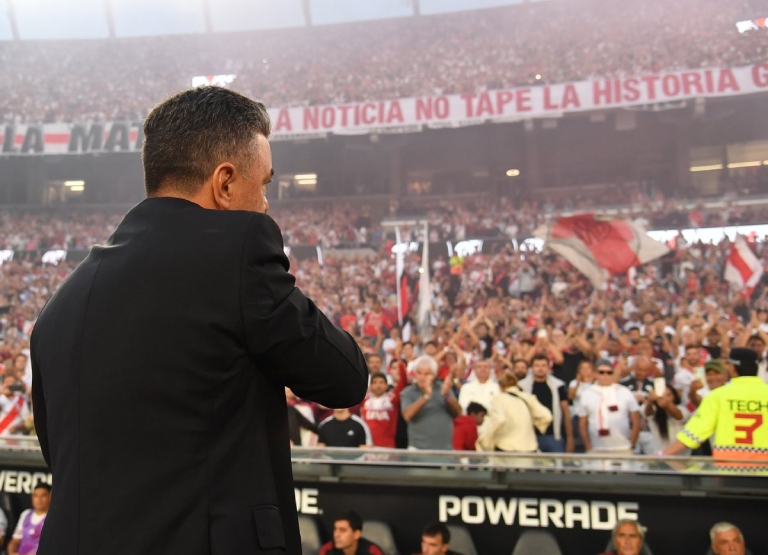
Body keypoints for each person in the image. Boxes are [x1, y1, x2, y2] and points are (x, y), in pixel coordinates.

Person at [30, 87, 369, 555]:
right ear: (225, 183)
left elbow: (61, 453)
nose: (267, 203)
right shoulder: (238, 253)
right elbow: (346, 378)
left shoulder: (62, 303)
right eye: (265, 184)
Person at [663, 348, 768, 465]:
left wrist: (661, 456)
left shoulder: (717, 396)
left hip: (728, 468)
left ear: (732, 368)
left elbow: (693, 434)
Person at [476, 370, 552, 453]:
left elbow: (499, 419)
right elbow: (547, 416)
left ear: (500, 386)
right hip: (529, 447)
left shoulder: (499, 399)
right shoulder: (528, 397)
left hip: (506, 447)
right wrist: (536, 426)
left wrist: (485, 441)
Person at [578, 360, 641, 454]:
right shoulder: (586, 394)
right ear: (595, 374)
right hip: (596, 449)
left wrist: (631, 444)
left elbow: (636, 420)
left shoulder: (624, 392)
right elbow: (582, 424)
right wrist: (588, 447)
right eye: (601, 372)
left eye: (609, 372)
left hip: (623, 448)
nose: (605, 375)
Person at [401, 355, 461, 450]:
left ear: (434, 375)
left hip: (444, 450)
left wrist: (447, 396)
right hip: (417, 450)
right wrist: (426, 396)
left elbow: (458, 413)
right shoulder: (408, 392)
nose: (422, 377)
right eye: (419, 373)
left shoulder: (444, 388)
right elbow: (407, 416)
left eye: (427, 374)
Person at [519, 354, 574, 452]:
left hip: (553, 436)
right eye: (537, 365)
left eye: (543, 365)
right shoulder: (522, 386)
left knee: (557, 466)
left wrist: (570, 438)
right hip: (529, 436)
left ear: (548, 367)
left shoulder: (558, 386)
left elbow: (565, 412)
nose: (540, 369)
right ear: (531, 368)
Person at [362, 362, 408, 448]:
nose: (378, 385)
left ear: (387, 385)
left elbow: (403, 382)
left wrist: (400, 364)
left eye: (381, 382)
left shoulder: (392, 399)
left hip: (388, 446)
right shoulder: (364, 400)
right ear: (370, 386)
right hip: (368, 446)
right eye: (374, 383)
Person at [8, 482, 51, 555]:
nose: (39, 499)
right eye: (36, 496)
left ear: (50, 497)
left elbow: (51, 545)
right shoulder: (25, 514)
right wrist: (12, 552)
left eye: (43, 496)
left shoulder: (52, 517)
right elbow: (15, 541)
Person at [318, 512, 383, 555]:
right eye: (335, 529)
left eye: (342, 530)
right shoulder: (327, 550)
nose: (336, 535)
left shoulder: (372, 552)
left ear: (356, 534)